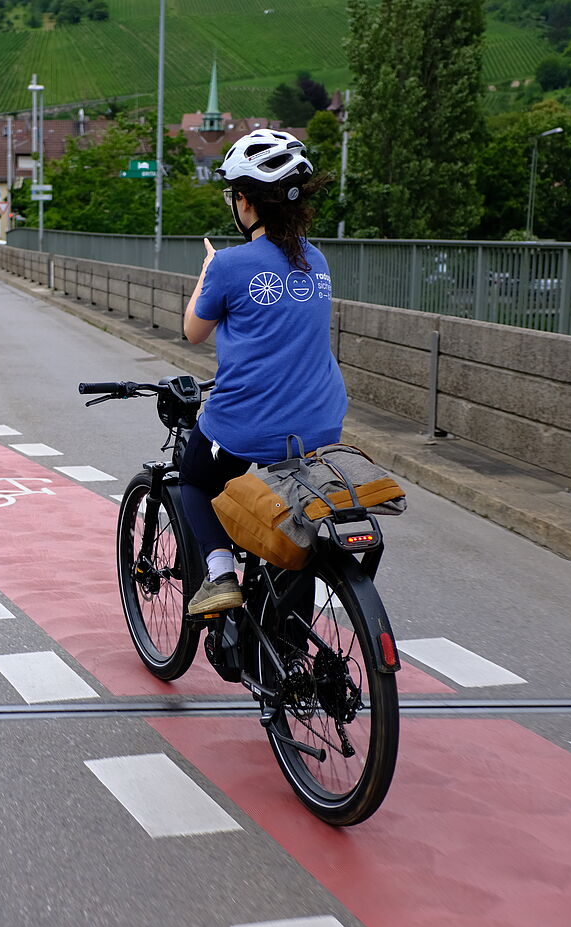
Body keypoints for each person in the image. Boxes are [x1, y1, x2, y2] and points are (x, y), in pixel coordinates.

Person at [181, 128, 348, 614]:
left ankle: (220, 576)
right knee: (292, 520)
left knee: (193, 479)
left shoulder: (230, 264)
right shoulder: (315, 258)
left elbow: (194, 331)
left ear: (246, 202)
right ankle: (287, 637)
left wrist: (208, 271)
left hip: (249, 422)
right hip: (320, 423)